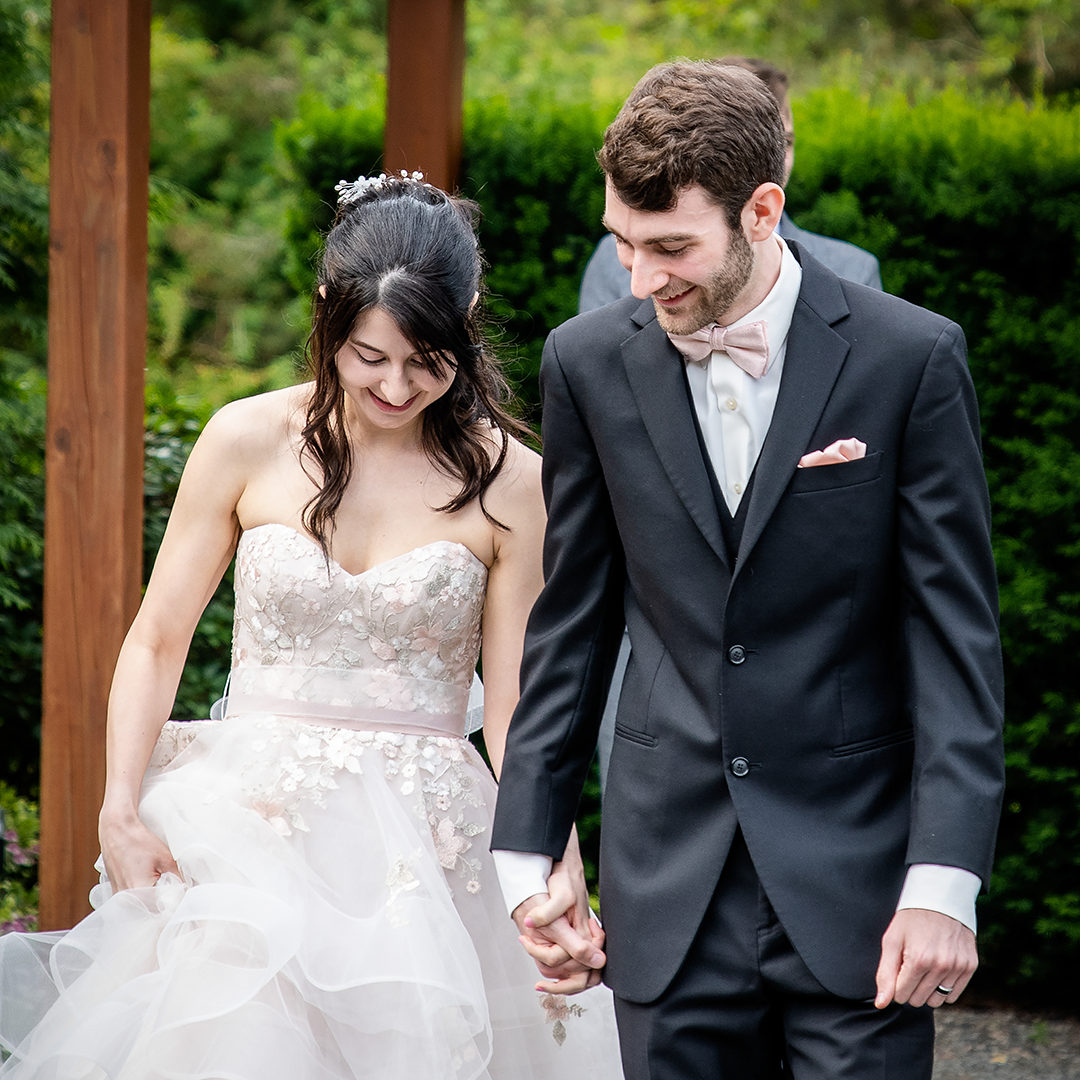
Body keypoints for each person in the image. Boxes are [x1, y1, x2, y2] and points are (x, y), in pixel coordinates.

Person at [0, 174, 621, 1080]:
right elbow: (158, 638)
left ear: (467, 323)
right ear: (330, 310)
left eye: (427, 360)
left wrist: (556, 867)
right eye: (370, 356)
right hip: (246, 835)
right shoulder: (243, 439)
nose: (396, 386)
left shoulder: (515, 484)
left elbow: (519, 708)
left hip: (426, 856)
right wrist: (118, 808)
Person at [491, 62, 1005, 1079]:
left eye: (671, 247)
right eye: (623, 242)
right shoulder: (585, 363)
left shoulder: (910, 359)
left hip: (862, 894)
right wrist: (530, 856)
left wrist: (945, 881)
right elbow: (573, 627)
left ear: (762, 211)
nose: (641, 279)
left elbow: (955, 640)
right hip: (665, 890)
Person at [578, 57, 882, 318]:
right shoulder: (609, 263)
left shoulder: (852, 271)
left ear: (762, 212)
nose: (776, 161)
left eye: (784, 143)